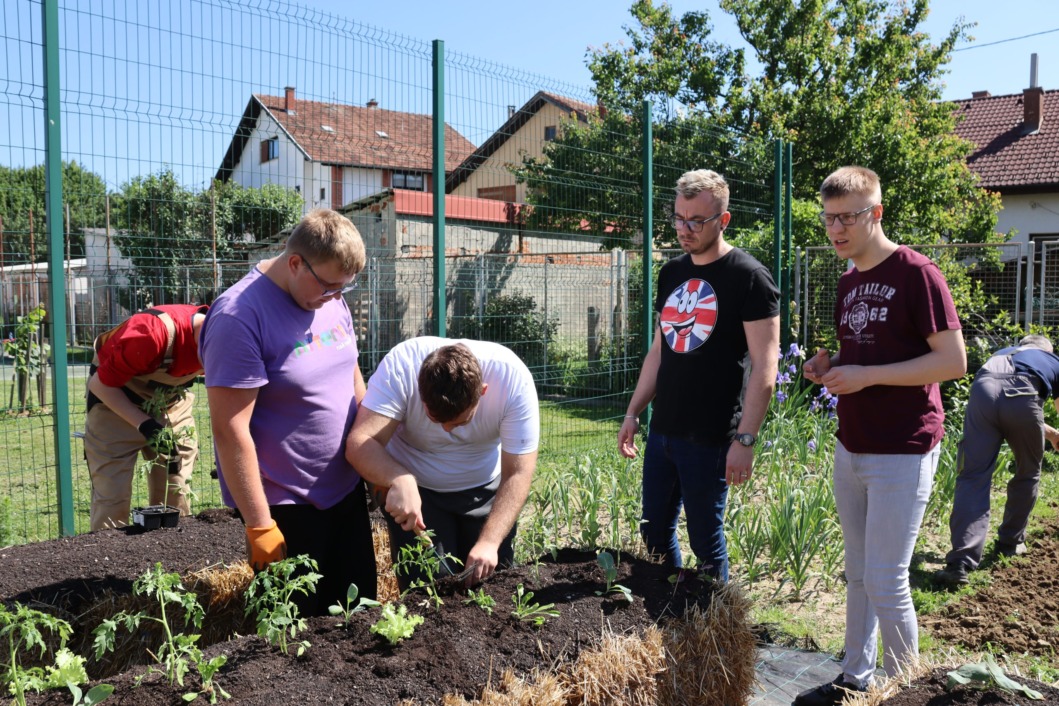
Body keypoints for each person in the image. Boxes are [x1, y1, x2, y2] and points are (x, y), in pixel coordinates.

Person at [796, 166, 966, 705]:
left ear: (877, 213)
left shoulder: (918, 273)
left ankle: (908, 691)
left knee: (887, 580)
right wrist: (833, 364)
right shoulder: (848, 279)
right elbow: (869, 351)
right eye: (829, 218)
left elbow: (952, 361)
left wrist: (866, 375)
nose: (837, 229)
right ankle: (856, 676)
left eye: (849, 217)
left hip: (905, 448)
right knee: (857, 574)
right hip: (853, 444)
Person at [200, 208, 375, 615]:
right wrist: (260, 525)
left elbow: (353, 378)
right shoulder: (238, 317)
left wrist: (374, 461)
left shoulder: (329, 298)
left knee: (363, 621)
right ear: (295, 263)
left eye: (343, 288)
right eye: (329, 286)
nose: (334, 297)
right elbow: (230, 430)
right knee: (292, 652)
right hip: (287, 507)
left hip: (345, 493)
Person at [617, 168, 780, 582]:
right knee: (653, 534)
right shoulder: (671, 273)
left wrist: (746, 439)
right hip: (664, 432)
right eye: (678, 218)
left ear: (723, 220)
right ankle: (666, 614)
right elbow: (660, 350)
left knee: (706, 542)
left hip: (712, 439)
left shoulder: (750, 278)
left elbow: (766, 365)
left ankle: (717, 627)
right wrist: (634, 411)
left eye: (696, 221)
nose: (684, 229)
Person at [345, 337, 538, 588]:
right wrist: (398, 478)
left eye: (459, 422)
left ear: (482, 392)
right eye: (434, 419)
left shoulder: (512, 379)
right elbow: (359, 442)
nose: (447, 430)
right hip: (419, 496)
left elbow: (518, 472)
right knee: (426, 593)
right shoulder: (402, 367)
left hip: (485, 489)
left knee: (492, 588)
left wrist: (489, 542)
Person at [935, 334, 1059, 588]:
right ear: (1047, 348)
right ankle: (1010, 542)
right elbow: (1022, 405)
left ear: (1022, 344)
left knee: (972, 476)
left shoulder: (1002, 353)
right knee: (1028, 472)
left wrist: (1052, 434)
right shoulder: (1050, 359)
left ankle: (960, 561)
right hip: (1025, 394)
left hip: (983, 391)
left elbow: (1003, 394)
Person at [85, 304, 209, 531]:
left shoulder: (232, 340)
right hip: (114, 403)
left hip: (171, 404)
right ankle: (110, 559)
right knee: (112, 501)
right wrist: (145, 424)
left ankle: (173, 554)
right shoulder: (152, 333)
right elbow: (99, 385)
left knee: (177, 490)